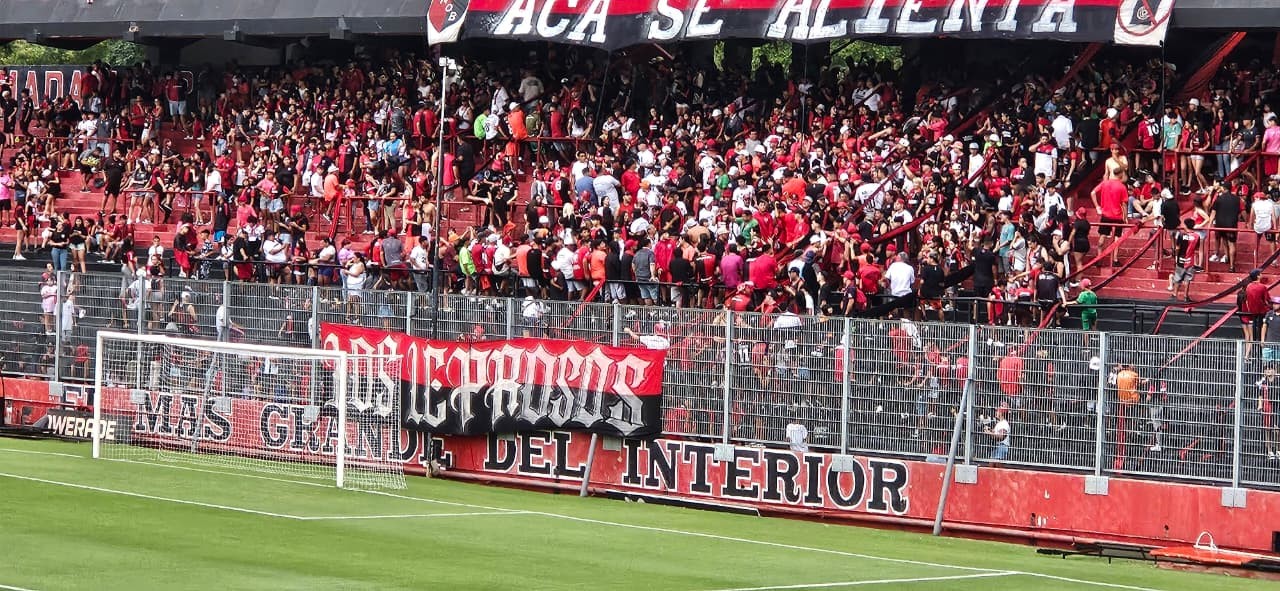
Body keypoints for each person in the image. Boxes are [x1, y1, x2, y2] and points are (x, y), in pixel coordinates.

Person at [1168, 219, 1201, 302]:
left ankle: (1174, 294)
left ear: (1186, 225)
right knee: (1188, 278)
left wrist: (1176, 256)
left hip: (1181, 260)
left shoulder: (1181, 235)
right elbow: (1196, 248)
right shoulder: (1197, 236)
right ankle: (1185, 296)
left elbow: (1177, 248)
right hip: (1190, 260)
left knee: (1177, 277)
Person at [1241, 269, 1271, 359]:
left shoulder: (1248, 286)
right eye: (1260, 274)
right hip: (1262, 311)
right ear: (1258, 276)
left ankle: (1253, 352)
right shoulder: (1262, 287)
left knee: (1253, 332)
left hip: (1252, 312)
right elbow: (1267, 299)